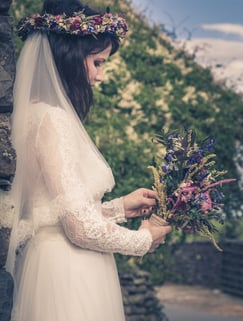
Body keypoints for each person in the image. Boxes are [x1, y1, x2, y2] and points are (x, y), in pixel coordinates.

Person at [5, 0, 172, 320]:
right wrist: (143, 239)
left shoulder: (36, 115)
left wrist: (119, 207)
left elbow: (53, 211)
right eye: (98, 62)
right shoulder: (52, 119)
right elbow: (79, 227)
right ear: (69, 60)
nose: (101, 76)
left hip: (56, 258)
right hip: (68, 269)